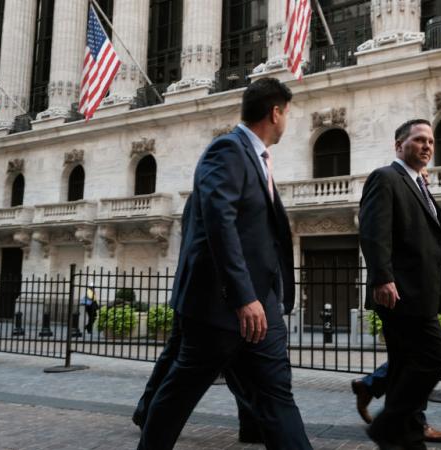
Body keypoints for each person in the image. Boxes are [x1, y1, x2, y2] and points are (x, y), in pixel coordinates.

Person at [138, 78, 311, 450]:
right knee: (180, 392)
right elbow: (220, 222)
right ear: (275, 112)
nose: (287, 122)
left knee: (277, 394)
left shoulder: (258, 159)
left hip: (261, 305)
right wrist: (243, 295)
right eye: (287, 114)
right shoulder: (227, 151)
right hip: (222, 308)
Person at [132, 195, 263, 444]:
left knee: (239, 357)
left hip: (212, 294)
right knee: (182, 357)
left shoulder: (222, 189)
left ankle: (252, 422)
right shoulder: (213, 189)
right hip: (202, 295)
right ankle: (147, 411)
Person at [359, 118, 441, 449]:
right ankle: (388, 425)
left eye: (430, 141)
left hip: (422, 292)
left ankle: (407, 434)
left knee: (403, 365)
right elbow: (374, 232)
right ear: (399, 145)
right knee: (435, 356)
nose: (427, 145)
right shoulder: (386, 178)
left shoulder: (418, 183)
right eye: (418, 140)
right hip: (401, 292)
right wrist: (382, 277)